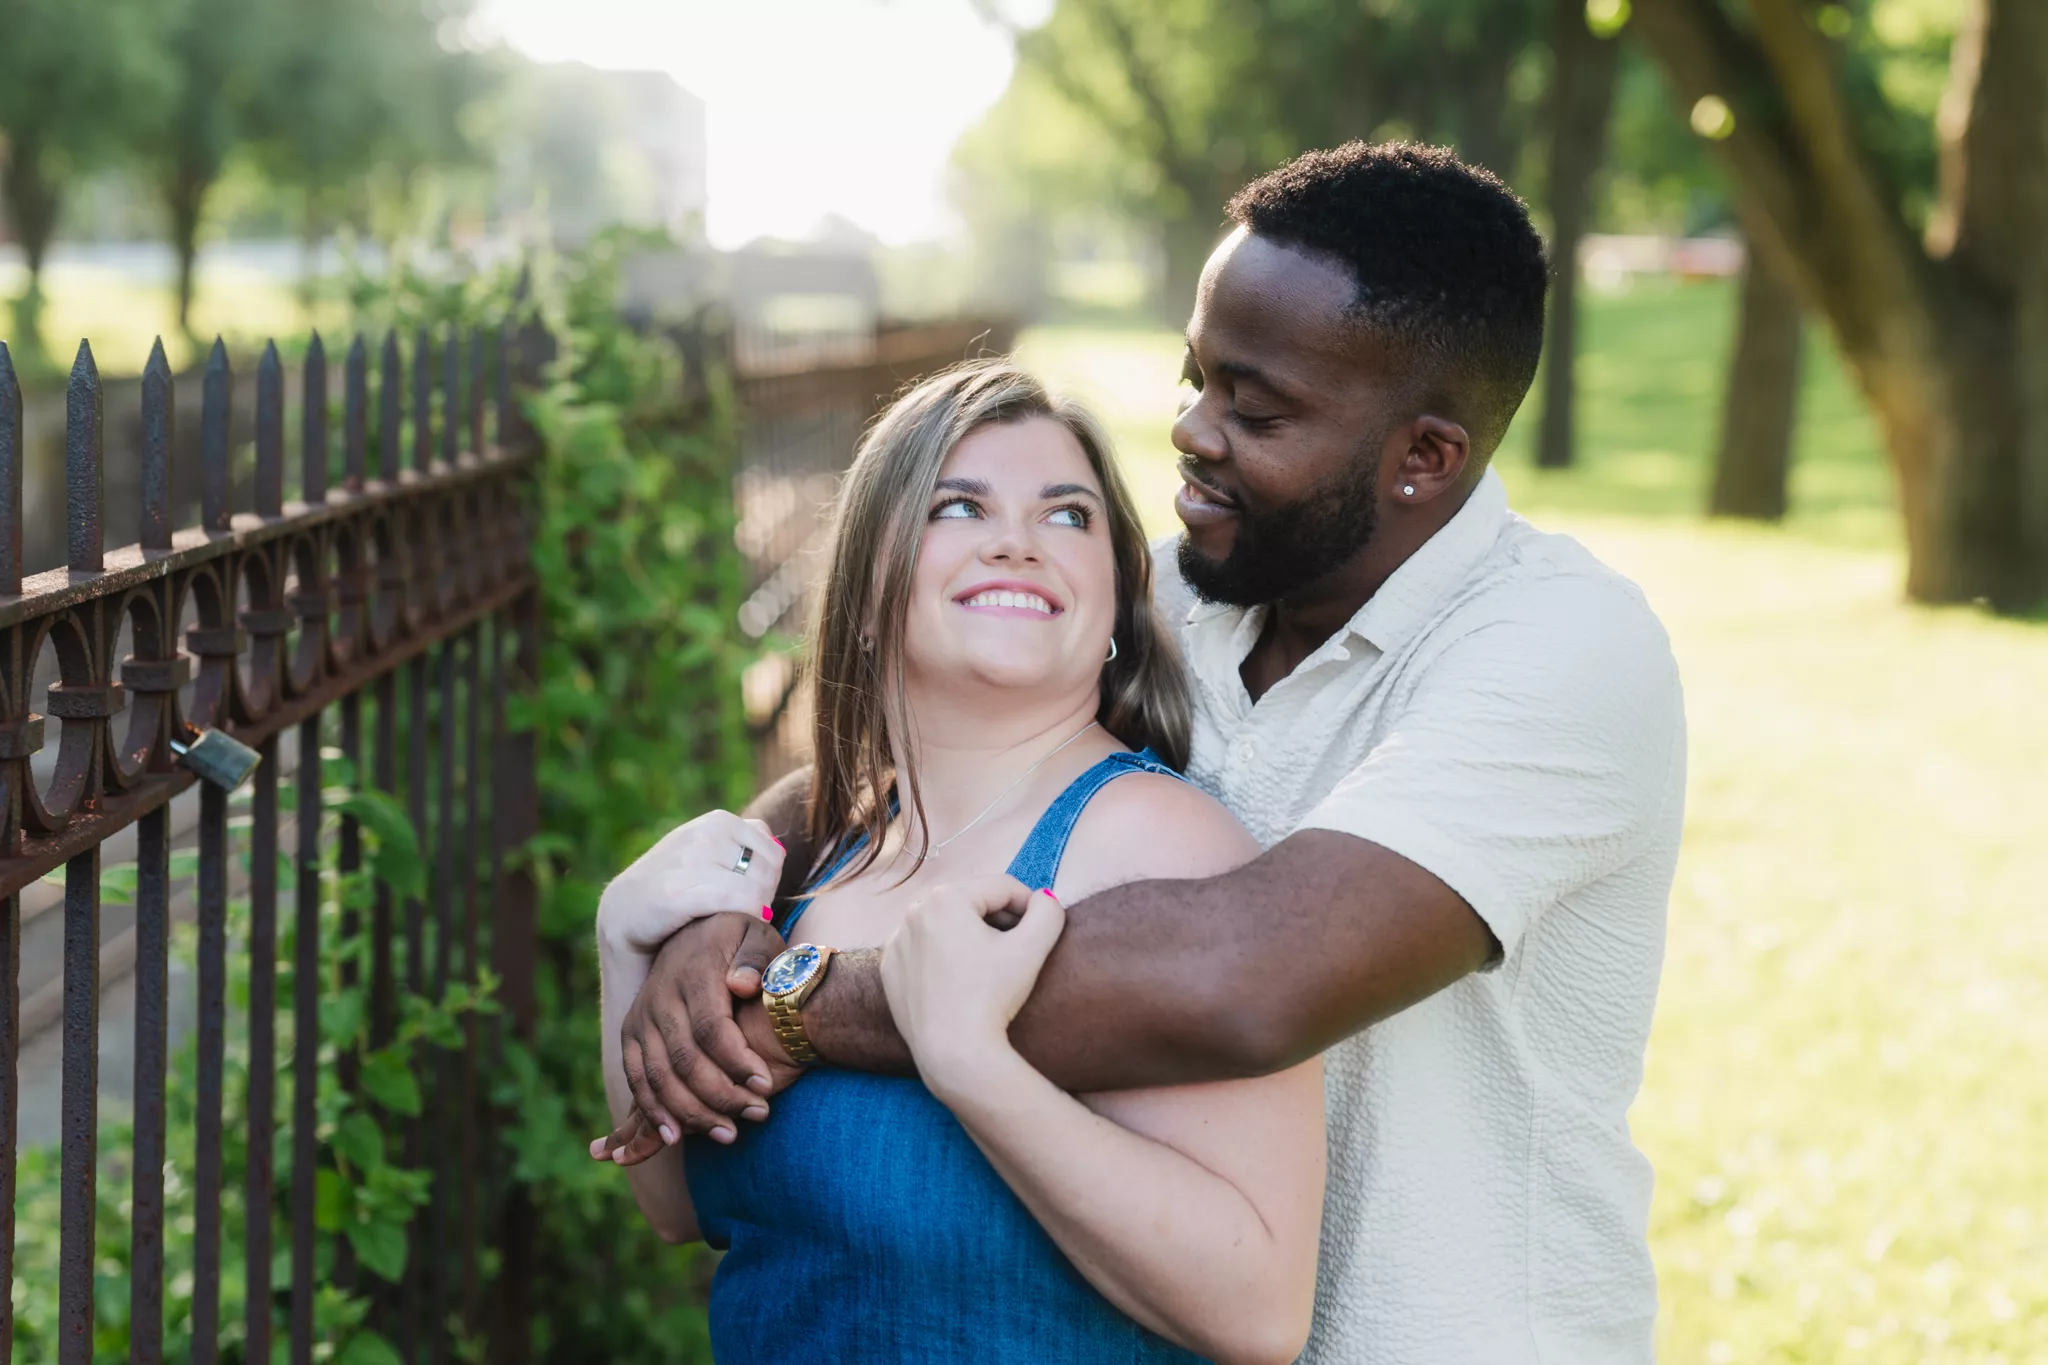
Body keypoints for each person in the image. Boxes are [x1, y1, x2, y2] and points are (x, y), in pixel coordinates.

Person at [600, 142, 1687, 1364]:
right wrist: (723, 908)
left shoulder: (1559, 652)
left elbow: (1244, 975)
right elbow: (912, 762)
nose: (1191, 433)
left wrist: (794, 1000)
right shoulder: (1178, 594)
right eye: (1194, 379)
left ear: (1423, 458)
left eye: (1254, 409)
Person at [592, 360, 1326, 1364]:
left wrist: (974, 1066)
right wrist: (624, 935)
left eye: (1066, 517)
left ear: (1114, 611)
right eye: (957, 506)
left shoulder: (1152, 846)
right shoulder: (830, 851)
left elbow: (1256, 1309)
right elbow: (678, 1202)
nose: (1016, 542)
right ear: (861, 592)